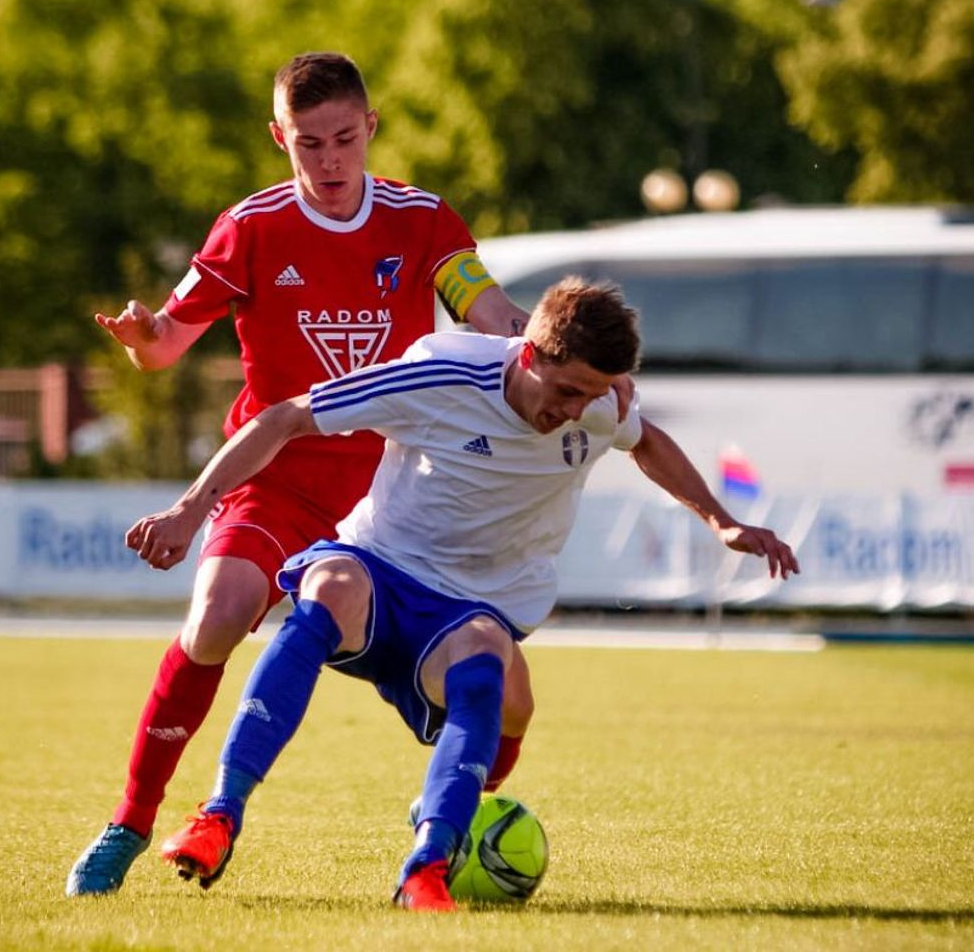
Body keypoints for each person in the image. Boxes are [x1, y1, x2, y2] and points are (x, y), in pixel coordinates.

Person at [129, 277, 800, 911]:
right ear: (529, 354)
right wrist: (190, 510)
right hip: (381, 567)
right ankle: (219, 815)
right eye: (567, 391)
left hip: (475, 606)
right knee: (329, 586)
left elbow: (646, 441)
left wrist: (722, 521)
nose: (576, 411)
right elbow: (285, 418)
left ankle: (427, 866)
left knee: (494, 671)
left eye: (591, 396)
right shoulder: (440, 374)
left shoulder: (604, 402)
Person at [67, 52, 554, 896]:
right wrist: (146, 341)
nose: (329, 161)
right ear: (278, 138)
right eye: (308, 144)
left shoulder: (423, 220)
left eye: (343, 139)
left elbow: (491, 311)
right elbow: (167, 344)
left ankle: (463, 808)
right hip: (277, 477)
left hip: (396, 496)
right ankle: (131, 822)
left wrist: (554, 348)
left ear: (371, 127)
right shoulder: (249, 228)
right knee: (216, 617)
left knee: (508, 692)